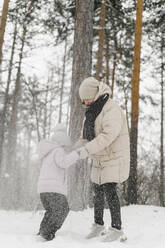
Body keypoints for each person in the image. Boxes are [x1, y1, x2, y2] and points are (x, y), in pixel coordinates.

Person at [76, 77, 130, 242]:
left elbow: (107, 136)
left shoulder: (111, 109)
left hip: (113, 156)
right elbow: (85, 137)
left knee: (109, 189)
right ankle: (98, 225)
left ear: (95, 94)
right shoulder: (92, 111)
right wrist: (75, 150)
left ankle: (117, 228)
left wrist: (86, 150)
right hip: (99, 157)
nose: (84, 103)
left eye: (86, 99)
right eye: (83, 100)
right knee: (97, 191)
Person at [37, 124, 80, 241]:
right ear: (62, 142)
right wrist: (76, 154)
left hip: (43, 190)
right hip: (53, 189)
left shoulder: (48, 152)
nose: (66, 149)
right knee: (62, 210)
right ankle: (47, 233)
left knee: (51, 211)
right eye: (66, 146)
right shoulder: (58, 150)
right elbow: (64, 163)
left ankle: (42, 232)